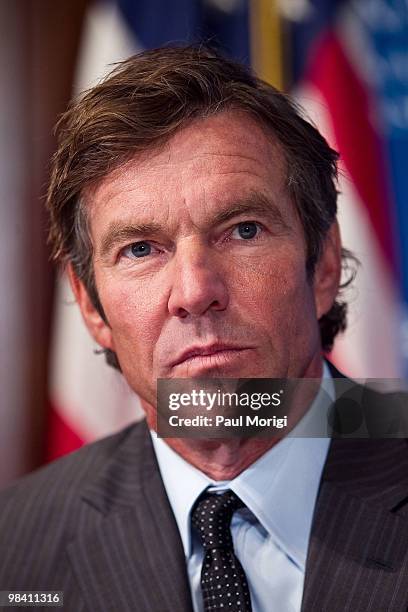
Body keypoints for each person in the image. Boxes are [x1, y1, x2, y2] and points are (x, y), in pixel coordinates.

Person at [0, 46, 407, 612]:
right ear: (90, 306)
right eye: (141, 249)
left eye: (243, 231)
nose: (194, 292)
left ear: (325, 265)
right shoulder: (14, 548)